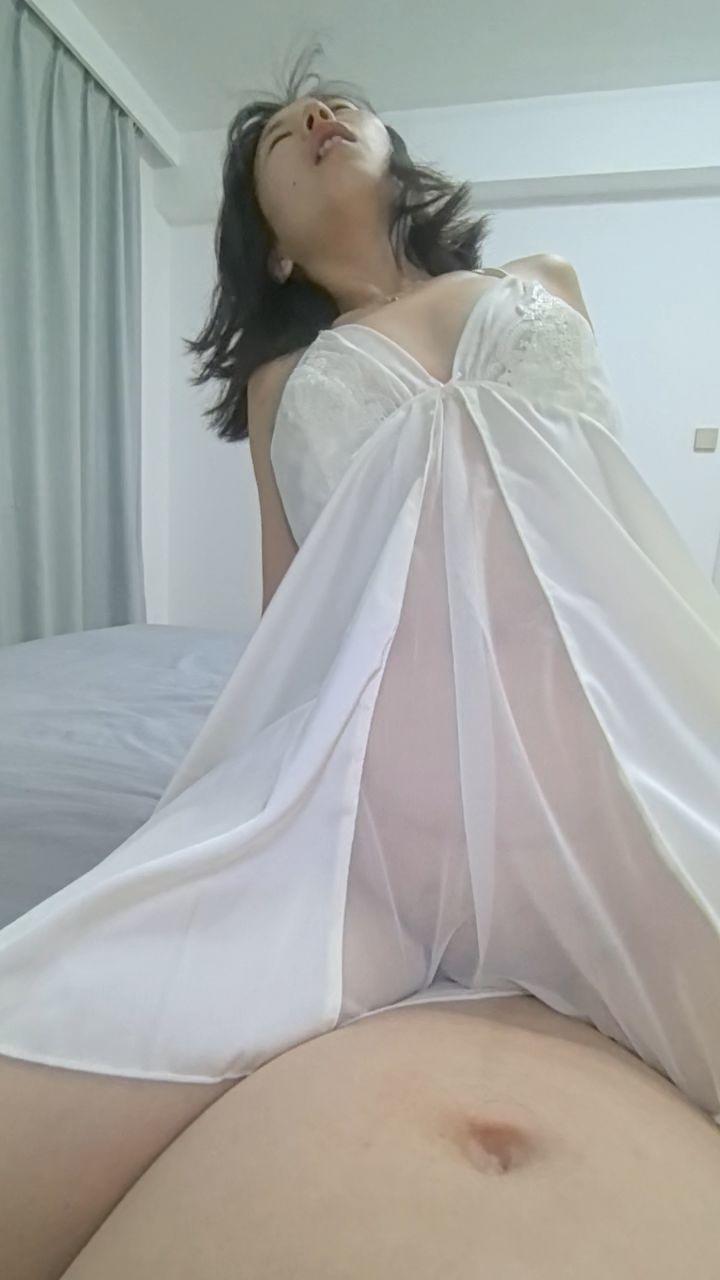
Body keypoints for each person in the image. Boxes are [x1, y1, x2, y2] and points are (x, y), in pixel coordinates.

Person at [1, 42, 719, 1280]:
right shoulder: (283, 382)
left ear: (399, 159)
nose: (320, 116)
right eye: (282, 136)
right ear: (272, 248)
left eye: (336, 106)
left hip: (605, 759)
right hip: (387, 810)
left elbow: (602, 522)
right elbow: (295, 614)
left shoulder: (542, 280)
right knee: (67, 1012)